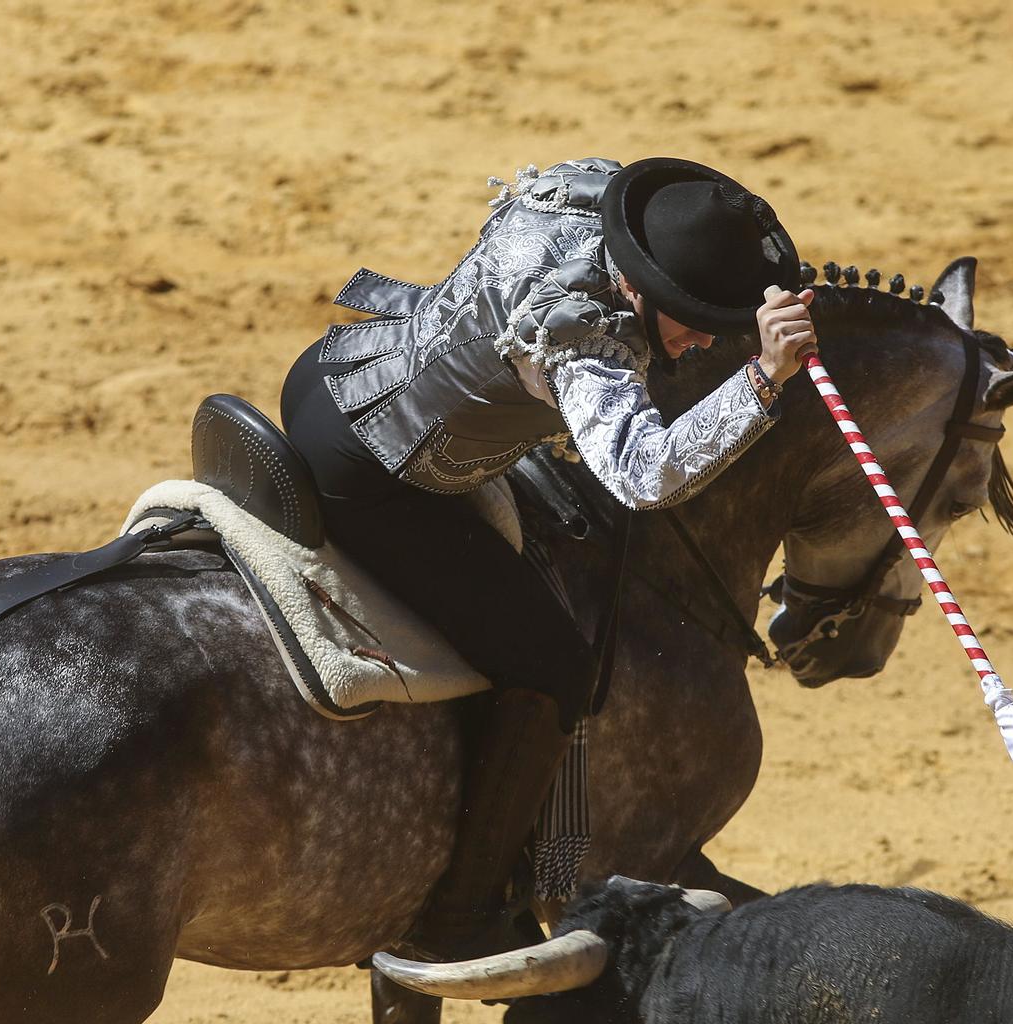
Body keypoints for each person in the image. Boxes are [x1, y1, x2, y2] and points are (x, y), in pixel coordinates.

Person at [280, 156, 818, 957]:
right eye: (693, 318)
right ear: (640, 288)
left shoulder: (591, 197)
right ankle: (460, 914)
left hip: (333, 369)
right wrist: (765, 378)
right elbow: (646, 473)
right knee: (555, 663)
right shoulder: (582, 332)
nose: (705, 338)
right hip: (377, 470)